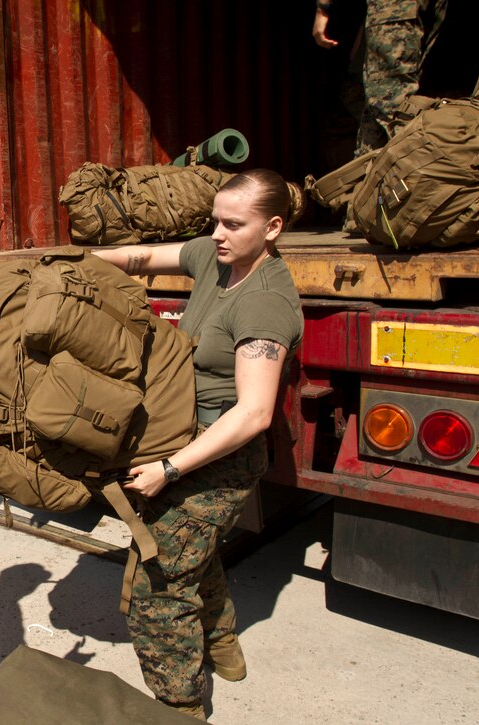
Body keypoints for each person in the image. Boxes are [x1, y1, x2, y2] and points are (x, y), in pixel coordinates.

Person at [94, 169, 304, 720]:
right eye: (215, 219)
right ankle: (223, 643)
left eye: (234, 224)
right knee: (187, 551)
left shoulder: (264, 302)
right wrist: (77, 261)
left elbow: (255, 414)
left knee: (158, 585)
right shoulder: (217, 258)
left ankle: (181, 708)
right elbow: (141, 259)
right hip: (182, 437)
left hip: (220, 457)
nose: (218, 232)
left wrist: (170, 467)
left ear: (273, 227)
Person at [313, 0, 447, 155]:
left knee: (392, 104)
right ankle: (371, 172)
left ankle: (417, 172)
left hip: (396, 8)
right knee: (381, 109)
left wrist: (323, 8)